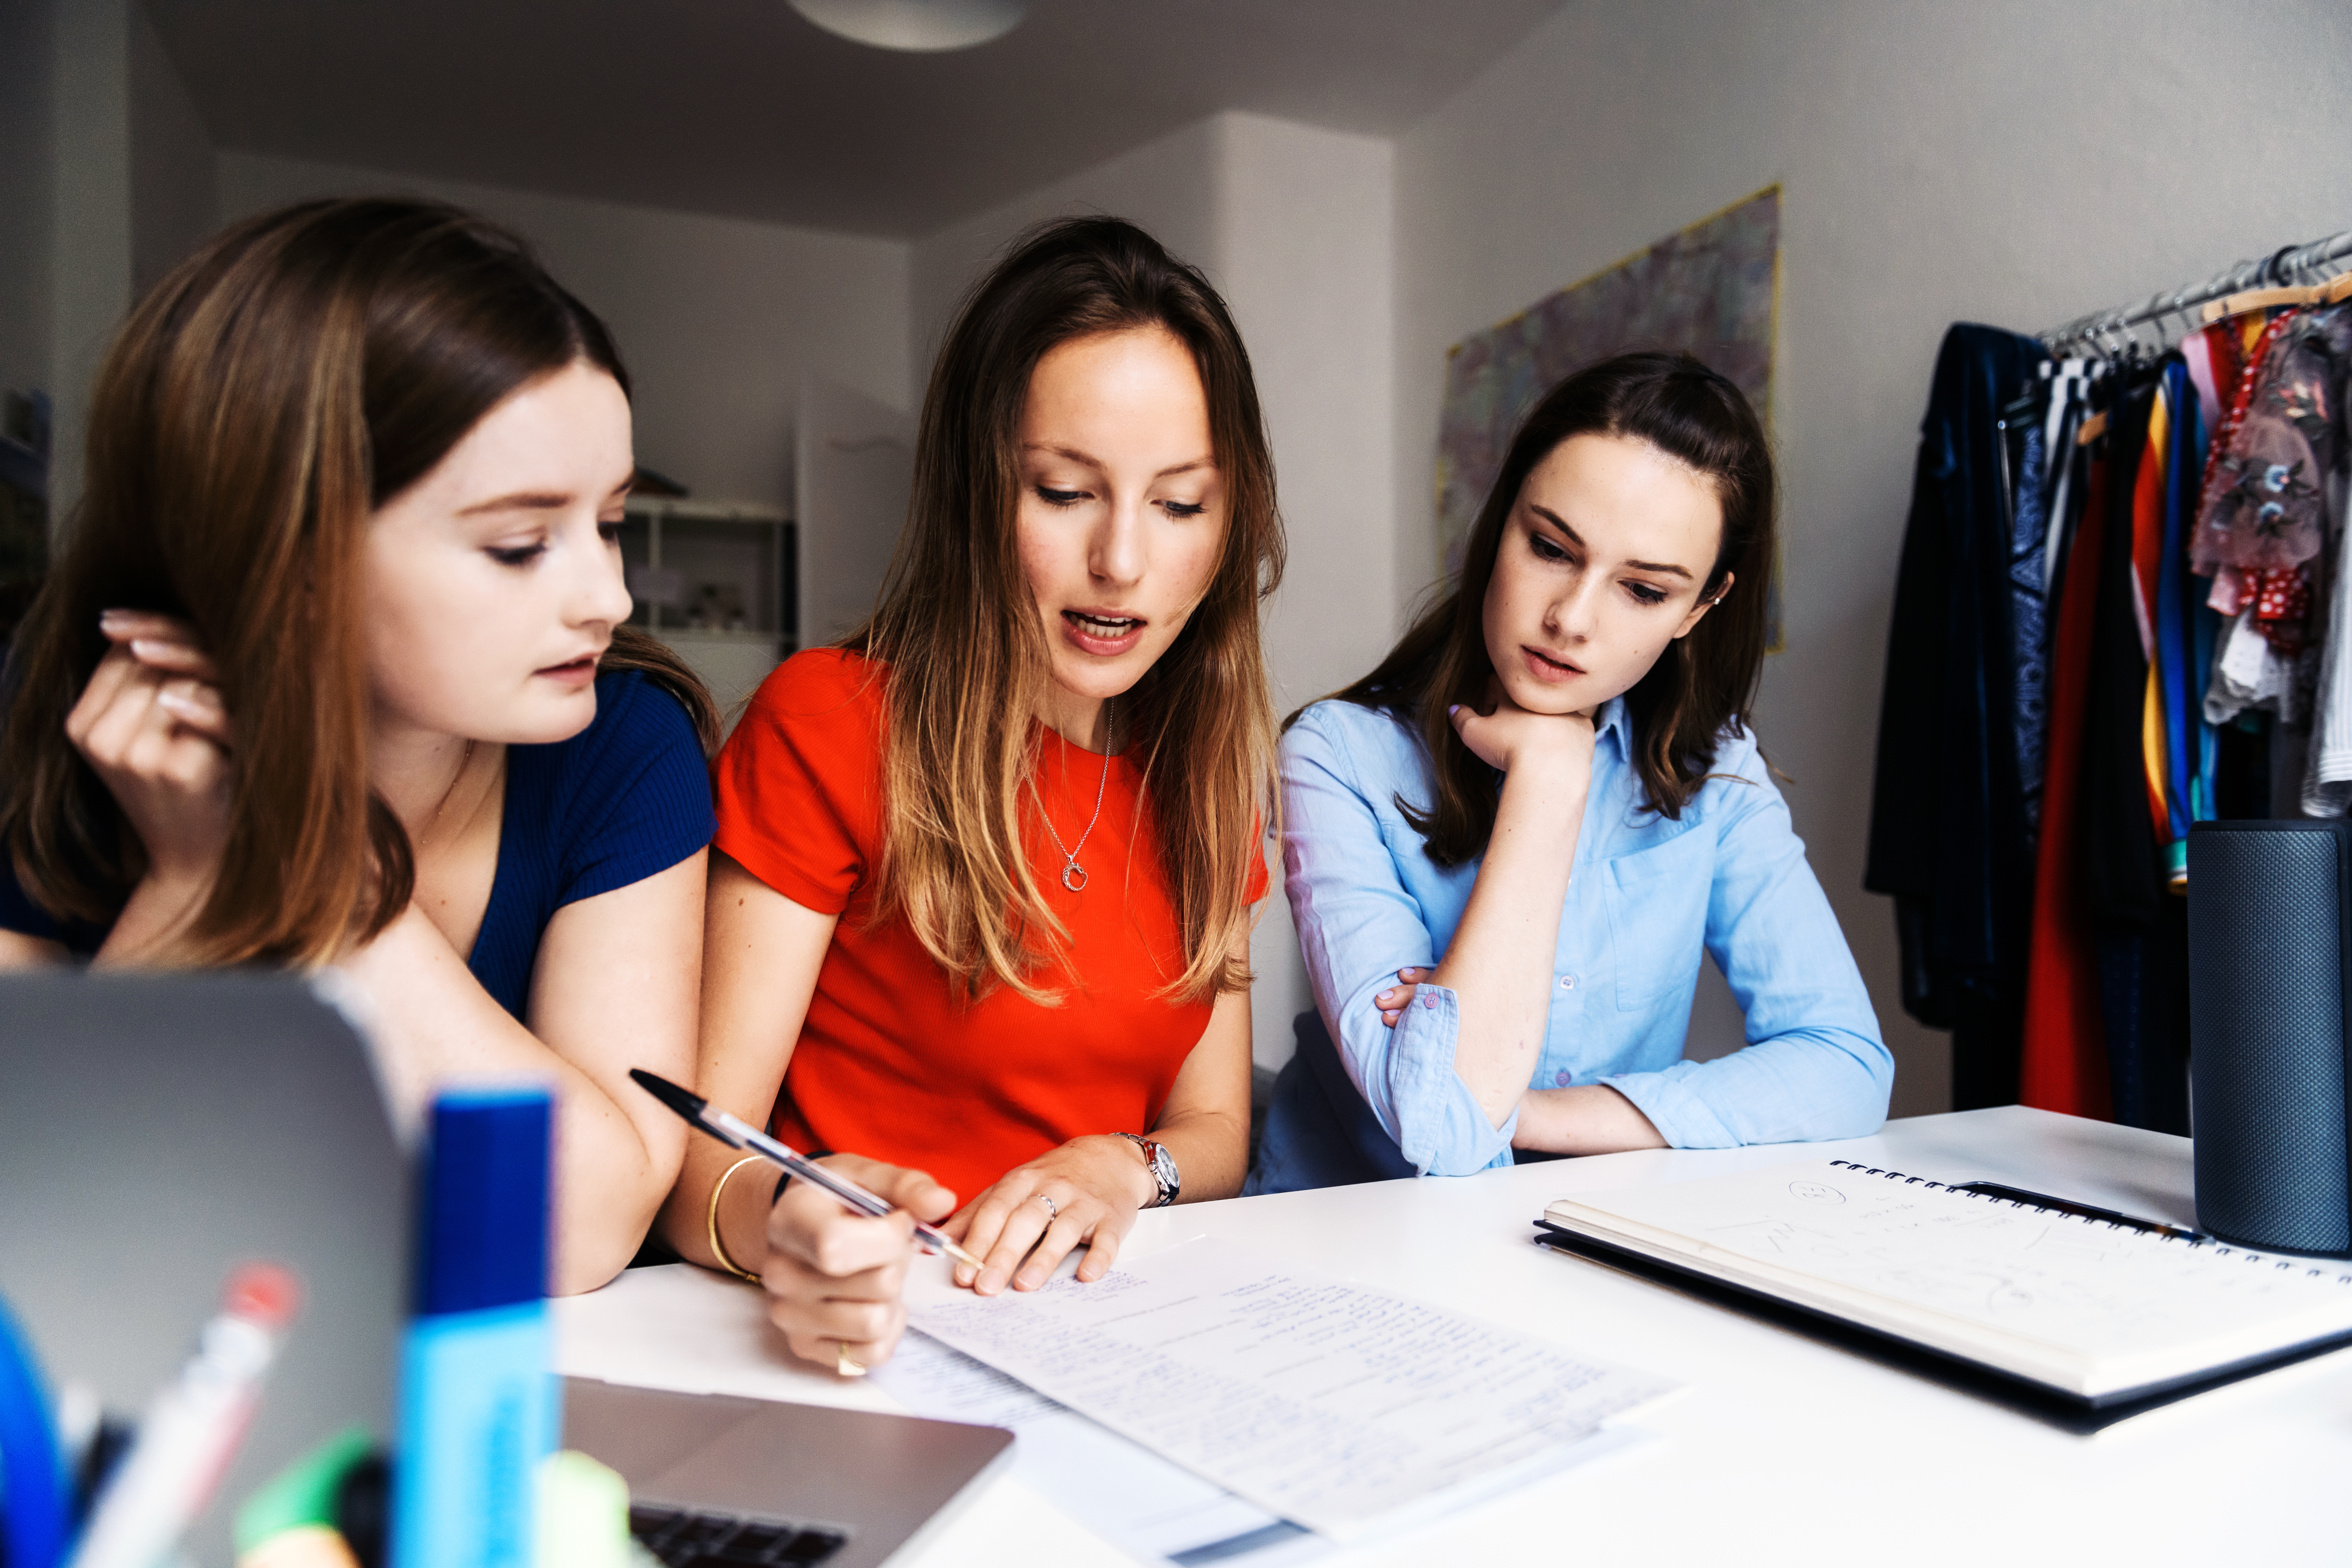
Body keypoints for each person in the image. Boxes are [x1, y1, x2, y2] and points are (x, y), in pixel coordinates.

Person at [0, 199, 718, 1292]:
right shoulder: (43, 725)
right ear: (280, 553)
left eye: (610, 523)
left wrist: (317, 870)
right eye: (522, 545)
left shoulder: (624, 743)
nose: (608, 597)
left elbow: (584, 1228)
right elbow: (41, 1225)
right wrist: (194, 886)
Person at [661, 216, 1279, 1373]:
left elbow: (1218, 1133)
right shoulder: (831, 720)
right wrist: (786, 1227)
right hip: (874, 1332)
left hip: (1111, 1339)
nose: (1124, 563)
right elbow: (700, 1157)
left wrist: (1124, 1164)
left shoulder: (1207, 780)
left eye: (1182, 504)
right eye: (1063, 490)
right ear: (974, 496)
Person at [1250, 351, 1891, 1193]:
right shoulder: (1338, 757)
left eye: (1645, 591)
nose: (1571, 620)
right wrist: (1547, 786)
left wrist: (1537, 1118)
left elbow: (1845, 1066)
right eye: (1551, 547)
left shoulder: (1715, 777)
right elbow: (1441, 1129)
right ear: (1499, 519)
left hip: (1565, 1230)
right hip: (1329, 1238)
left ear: (1699, 609)